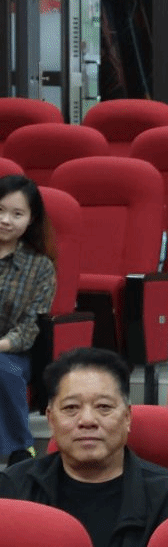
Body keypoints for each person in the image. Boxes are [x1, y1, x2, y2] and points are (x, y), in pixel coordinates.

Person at [0, 347, 168, 547]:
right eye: (71, 408)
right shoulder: (13, 491)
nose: (87, 421)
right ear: (50, 419)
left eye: (104, 407)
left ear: (128, 417)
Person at [0, 174, 55, 462]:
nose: (5, 220)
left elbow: (30, 327)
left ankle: (21, 450)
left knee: (2, 368)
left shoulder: (40, 267)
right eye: (0, 210)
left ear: (31, 220)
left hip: (15, 352)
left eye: (16, 214)